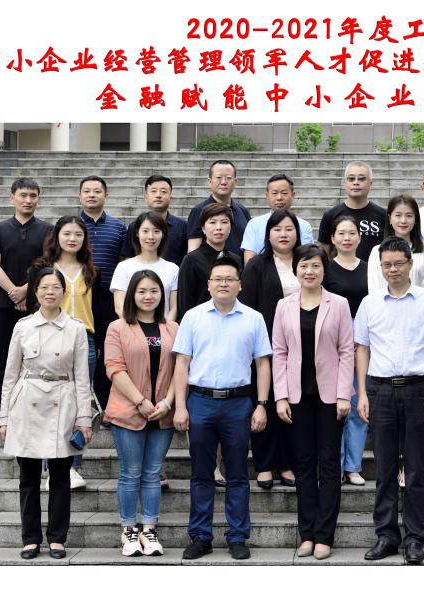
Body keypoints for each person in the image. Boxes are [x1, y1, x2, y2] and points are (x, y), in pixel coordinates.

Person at [356, 237, 424, 564]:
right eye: (387, 264)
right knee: (383, 469)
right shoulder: (370, 303)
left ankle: (414, 538)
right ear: (380, 267)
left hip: (417, 389)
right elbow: (362, 348)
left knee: (415, 469)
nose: (393, 269)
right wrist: (362, 392)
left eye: (398, 263)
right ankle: (386, 535)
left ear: (411, 264)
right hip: (380, 390)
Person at [172, 255, 271, 560]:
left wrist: (261, 404)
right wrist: (180, 406)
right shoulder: (193, 317)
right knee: (201, 474)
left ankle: (237, 536)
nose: (223, 284)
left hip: (239, 403)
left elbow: (262, 363)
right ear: (209, 284)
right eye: (218, 279)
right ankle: (200, 536)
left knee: (238, 473)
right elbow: (182, 363)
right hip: (200, 401)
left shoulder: (253, 318)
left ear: (240, 285)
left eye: (230, 279)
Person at [0, 267, 93, 560]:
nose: (50, 292)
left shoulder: (75, 328)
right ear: (35, 292)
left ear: (64, 292)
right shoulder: (23, 326)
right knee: (28, 477)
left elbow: (82, 378)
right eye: (44, 287)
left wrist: (84, 418)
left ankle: (57, 538)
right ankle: (30, 538)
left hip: (63, 401)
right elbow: (10, 375)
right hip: (27, 402)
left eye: (56, 287)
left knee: (60, 477)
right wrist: (4, 417)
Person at [272, 244, 355, 561]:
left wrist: (344, 393)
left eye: (316, 266)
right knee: (304, 466)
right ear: (296, 269)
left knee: (330, 465)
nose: (309, 271)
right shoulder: (284, 306)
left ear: (324, 270)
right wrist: (280, 396)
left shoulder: (339, 304)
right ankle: (306, 534)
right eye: (304, 265)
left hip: (330, 398)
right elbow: (279, 352)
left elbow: (346, 350)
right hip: (297, 397)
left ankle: (324, 535)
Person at [104, 270, 179, 556]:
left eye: (154, 291)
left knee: (152, 473)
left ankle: (149, 529)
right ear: (132, 295)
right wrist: (140, 401)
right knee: (130, 472)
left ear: (162, 295)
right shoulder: (117, 327)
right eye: (142, 291)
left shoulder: (173, 328)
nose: (148, 296)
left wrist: (168, 402)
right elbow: (114, 368)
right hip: (128, 410)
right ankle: (128, 530)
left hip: (163, 412)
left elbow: (181, 368)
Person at [28, 215, 99, 490]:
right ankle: (49, 468)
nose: (72, 239)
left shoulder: (91, 270)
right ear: (57, 236)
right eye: (67, 233)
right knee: (49, 402)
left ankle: (73, 467)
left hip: (85, 340)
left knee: (79, 404)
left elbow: (97, 310)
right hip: (49, 339)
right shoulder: (43, 268)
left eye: (78, 235)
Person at [241, 209, 303, 488]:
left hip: (301, 346)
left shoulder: (306, 260)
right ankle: (265, 464)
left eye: (289, 229)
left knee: (293, 404)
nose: (283, 234)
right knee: (265, 401)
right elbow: (249, 307)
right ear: (268, 235)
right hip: (266, 346)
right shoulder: (257, 265)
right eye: (277, 229)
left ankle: (287, 463)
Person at [0, 177, 53, 429]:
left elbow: (49, 264)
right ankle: (4, 408)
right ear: (12, 197)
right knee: (7, 356)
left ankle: (37, 407)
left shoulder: (47, 230)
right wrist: (13, 291)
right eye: (23, 195)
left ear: (39, 199)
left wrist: (26, 290)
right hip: (5, 304)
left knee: (39, 356)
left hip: (38, 305)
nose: (28, 200)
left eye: (33, 195)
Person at [320, 215, 369, 486]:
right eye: (341, 233)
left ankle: (353, 466)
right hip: (332, 343)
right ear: (333, 238)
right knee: (334, 407)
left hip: (364, 342)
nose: (347, 238)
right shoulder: (325, 269)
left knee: (358, 404)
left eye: (352, 233)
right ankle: (335, 465)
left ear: (360, 238)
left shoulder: (370, 269)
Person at [77, 175, 126, 411]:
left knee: (107, 348)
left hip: (109, 296)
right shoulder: (71, 226)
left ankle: (105, 401)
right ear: (79, 196)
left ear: (106, 195)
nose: (92, 195)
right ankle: (80, 401)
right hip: (78, 297)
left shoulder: (118, 227)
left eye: (97, 191)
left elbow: (123, 261)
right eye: (87, 191)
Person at [111, 212, 179, 322]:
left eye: (156, 231)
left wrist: (164, 328)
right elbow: (120, 308)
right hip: (131, 328)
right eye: (145, 231)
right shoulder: (123, 267)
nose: (151, 237)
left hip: (164, 328)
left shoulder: (173, 269)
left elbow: (173, 308)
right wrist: (138, 329)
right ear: (137, 233)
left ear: (163, 234)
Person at [176, 202, 235, 323]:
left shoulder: (236, 260)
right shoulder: (191, 260)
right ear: (203, 228)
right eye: (212, 222)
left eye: (224, 222)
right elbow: (185, 303)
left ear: (230, 228)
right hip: (200, 324)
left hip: (232, 323)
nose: (218, 227)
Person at [367, 194, 424, 292]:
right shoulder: (376, 251)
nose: (403, 221)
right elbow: (373, 290)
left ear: (415, 219)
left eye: (409, 216)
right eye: (398, 215)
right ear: (390, 219)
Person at [318, 161, 386, 258]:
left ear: (370, 183)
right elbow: (324, 254)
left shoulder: (383, 215)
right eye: (351, 179)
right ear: (345, 182)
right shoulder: (330, 215)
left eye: (361, 179)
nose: (356, 182)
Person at [241, 173, 314, 263]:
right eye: (274, 193)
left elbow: (306, 259)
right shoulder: (254, 224)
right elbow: (249, 261)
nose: (279, 198)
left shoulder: (304, 226)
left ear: (293, 195)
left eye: (284, 193)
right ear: (267, 196)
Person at [120, 175, 189, 266]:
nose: (158, 195)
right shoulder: (135, 226)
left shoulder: (183, 226)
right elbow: (128, 257)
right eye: (153, 191)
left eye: (163, 191)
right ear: (146, 197)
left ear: (170, 198)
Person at [186, 160, 252, 254]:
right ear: (209, 181)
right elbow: (193, 250)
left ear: (235, 182)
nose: (223, 182)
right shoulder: (199, 210)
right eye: (218, 177)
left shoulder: (242, 210)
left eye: (228, 178)